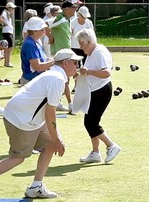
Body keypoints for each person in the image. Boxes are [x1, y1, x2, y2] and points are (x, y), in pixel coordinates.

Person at [0, 48, 84, 201]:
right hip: (21, 120)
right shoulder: (57, 79)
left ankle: (36, 187)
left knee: (51, 145)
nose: (77, 66)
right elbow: (50, 113)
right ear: (66, 63)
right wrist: (57, 138)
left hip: (27, 117)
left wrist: (56, 138)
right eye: (75, 63)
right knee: (18, 157)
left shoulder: (55, 75)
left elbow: (46, 112)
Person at [73, 28, 121, 163]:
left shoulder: (99, 52)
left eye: (82, 43)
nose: (80, 47)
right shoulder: (92, 52)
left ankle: (111, 146)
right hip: (94, 91)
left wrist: (88, 72)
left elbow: (106, 72)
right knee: (91, 122)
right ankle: (95, 153)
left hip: (102, 91)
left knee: (91, 122)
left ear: (89, 42)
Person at [49, 1, 79, 112]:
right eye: (73, 8)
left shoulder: (67, 19)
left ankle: (61, 102)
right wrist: (50, 38)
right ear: (66, 9)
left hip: (67, 53)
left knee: (68, 78)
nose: (75, 10)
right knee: (65, 80)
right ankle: (70, 104)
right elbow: (46, 25)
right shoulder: (60, 18)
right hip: (61, 55)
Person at [20, 17, 54, 86]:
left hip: (37, 79)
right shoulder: (30, 44)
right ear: (34, 30)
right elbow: (37, 67)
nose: (44, 32)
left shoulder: (36, 42)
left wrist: (52, 60)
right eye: (42, 30)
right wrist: (55, 62)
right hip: (31, 81)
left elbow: (43, 59)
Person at [70, 6, 94, 93]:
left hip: (85, 48)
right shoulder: (73, 22)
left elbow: (91, 36)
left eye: (86, 17)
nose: (84, 18)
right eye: (83, 16)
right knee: (75, 67)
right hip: (74, 48)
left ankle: (86, 85)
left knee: (85, 66)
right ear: (78, 15)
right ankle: (76, 86)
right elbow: (70, 34)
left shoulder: (89, 23)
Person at [0, 2, 17, 67]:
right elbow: (0, 18)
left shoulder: (7, 13)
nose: (13, 9)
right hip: (7, 32)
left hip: (8, 32)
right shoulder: (5, 12)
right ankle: (7, 62)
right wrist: (3, 24)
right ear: (9, 8)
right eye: (12, 8)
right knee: (10, 47)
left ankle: (6, 62)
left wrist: (4, 24)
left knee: (7, 47)